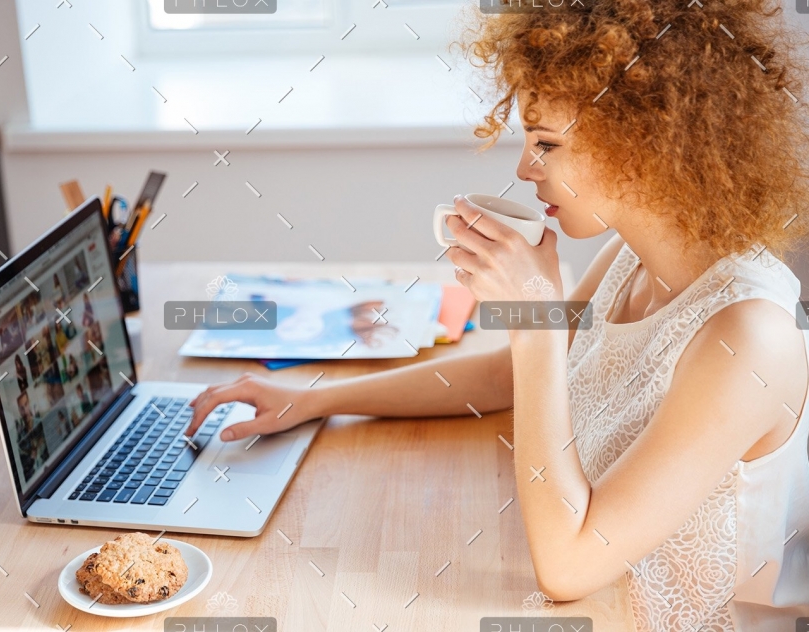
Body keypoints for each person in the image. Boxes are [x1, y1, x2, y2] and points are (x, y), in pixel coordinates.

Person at [183, 2, 809, 631]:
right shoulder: (630, 258)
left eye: (546, 144)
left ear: (646, 140)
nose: (523, 168)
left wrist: (536, 325)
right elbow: (511, 379)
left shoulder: (749, 338)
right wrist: (314, 398)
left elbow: (566, 568)